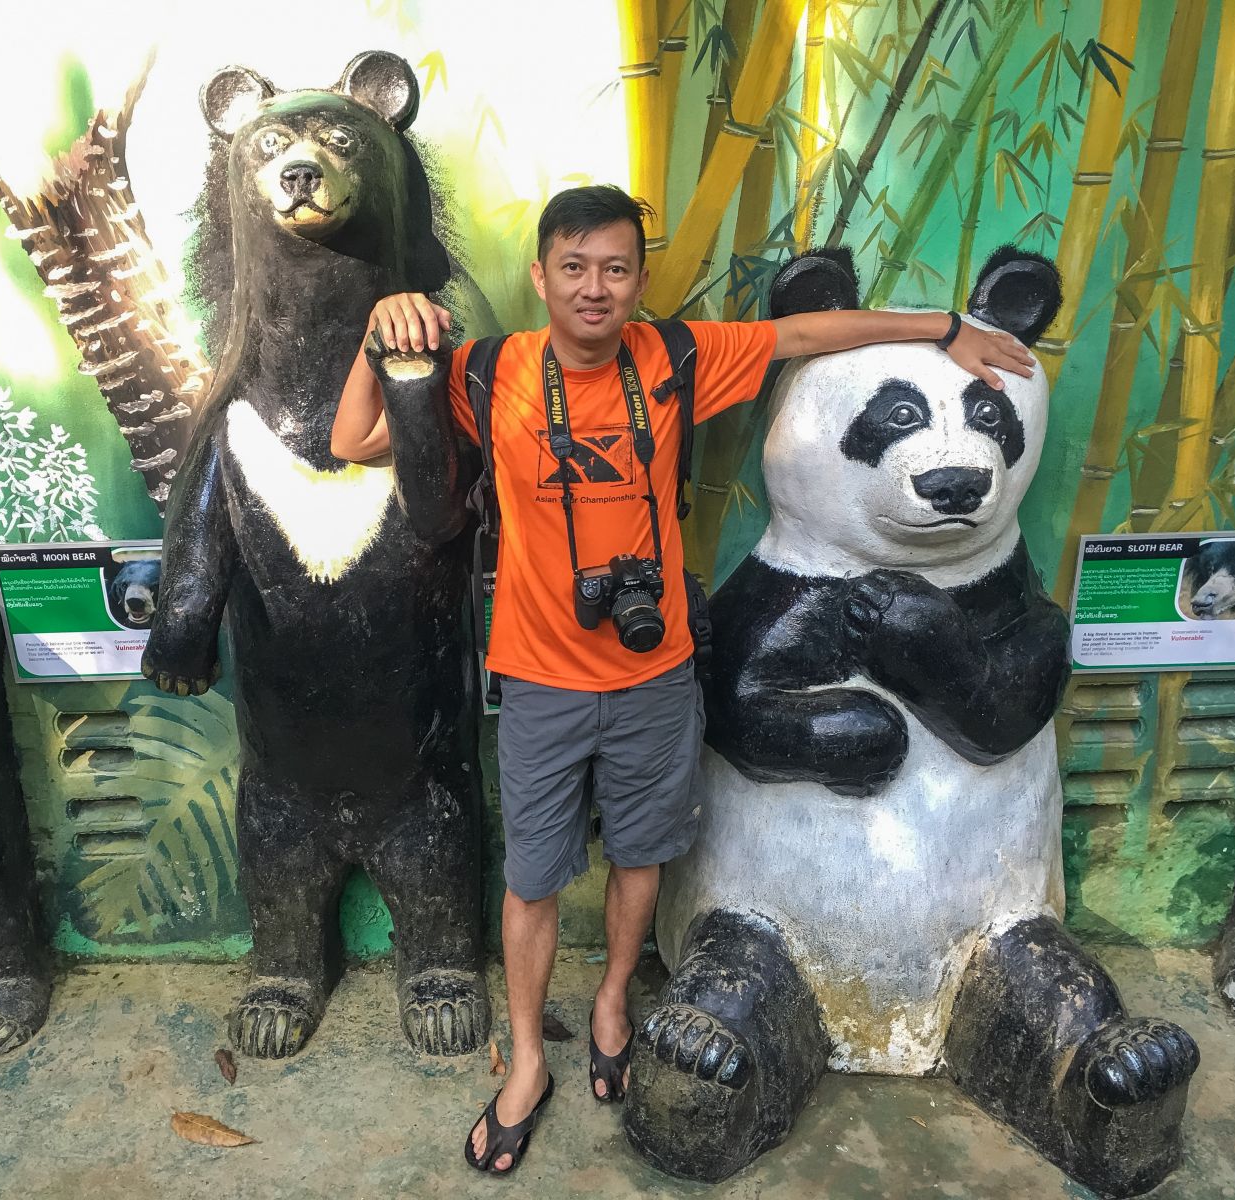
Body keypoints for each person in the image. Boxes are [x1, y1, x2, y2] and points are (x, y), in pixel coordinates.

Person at [331, 185, 1034, 1174]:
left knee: (640, 854)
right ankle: (527, 1060)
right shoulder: (491, 374)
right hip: (538, 676)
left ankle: (614, 1001)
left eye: (615, 269)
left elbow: (802, 335)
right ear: (541, 277)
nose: (594, 288)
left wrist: (946, 329)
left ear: (638, 280)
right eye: (574, 268)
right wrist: (378, 338)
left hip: (655, 672)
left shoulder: (670, 358)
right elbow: (352, 441)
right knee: (532, 880)